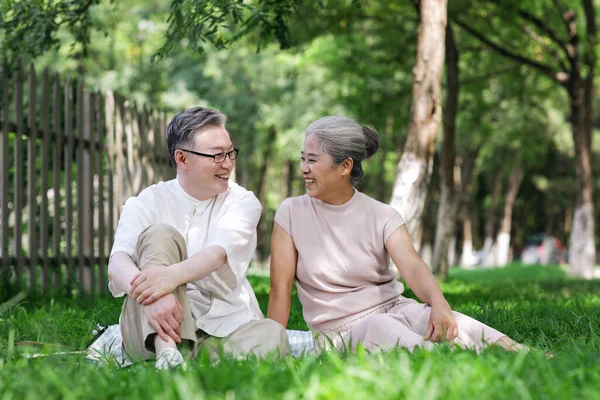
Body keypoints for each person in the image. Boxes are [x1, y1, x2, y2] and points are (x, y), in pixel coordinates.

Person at [267, 115, 525, 353]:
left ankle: (525, 354)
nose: (303, 168)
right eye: (303, 158)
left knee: (433, 317)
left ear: (345, 166)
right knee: (382, 327)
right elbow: (280, 290)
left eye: (312, 160)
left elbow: (413, 267)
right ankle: (450, 365)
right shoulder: (290, 213)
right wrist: (271, 350)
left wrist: (439, 305)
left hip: (395, 310)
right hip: (340, 337)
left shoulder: (381, 215)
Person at [108, 107, 289, 369]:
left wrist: (168, 278)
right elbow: (118, 263)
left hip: (223, 327)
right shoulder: (147, 201)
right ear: (182, 158)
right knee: (161, 234)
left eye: (230, 153)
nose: (227, 163)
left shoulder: (242, 202)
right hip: (151, 322)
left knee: (273, 335)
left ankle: (187, 361)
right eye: (217, 155)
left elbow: (215, 254)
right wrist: (155, 297)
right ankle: (167, 351)